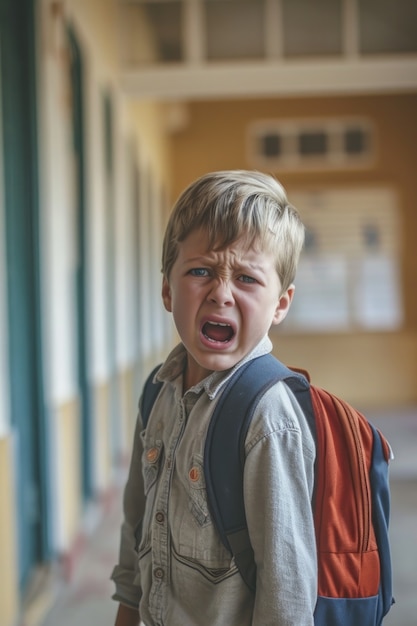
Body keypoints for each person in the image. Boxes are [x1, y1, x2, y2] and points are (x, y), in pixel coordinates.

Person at [111, 170, 317, 626]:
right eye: (200, 271)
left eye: (246, 278)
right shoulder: (157, 392)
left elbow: (287, 597)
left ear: (280, 303)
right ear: (167, 289)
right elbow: (136, 530)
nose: (221, 293)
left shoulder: (267, 417)